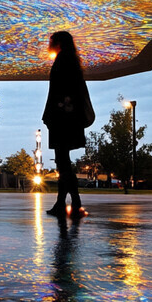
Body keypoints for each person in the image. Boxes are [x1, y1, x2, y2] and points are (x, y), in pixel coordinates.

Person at [42, 31, 93, 219]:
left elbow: (56, 92)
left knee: (62, 162)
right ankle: (63, 202)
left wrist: (50, 114)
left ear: (59, 43)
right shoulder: (71, 62)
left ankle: (71, 201)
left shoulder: (62, 62)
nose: (49, 44)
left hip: (62, 119)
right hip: (68, 118)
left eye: (51, 41)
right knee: (63, 161)